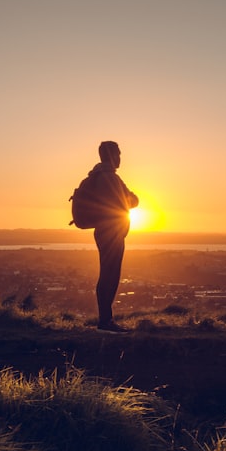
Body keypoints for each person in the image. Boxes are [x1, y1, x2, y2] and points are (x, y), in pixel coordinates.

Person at [88, 141, 139, 334]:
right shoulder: (111, 179)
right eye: (118, 154)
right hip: (112, 232)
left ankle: (105, 320)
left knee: (107, 273)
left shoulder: (97, 176)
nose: (120, 158)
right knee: (110, 275)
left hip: (104, 230)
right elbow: (134, 199)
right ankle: (105, 321)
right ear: (111, 156)